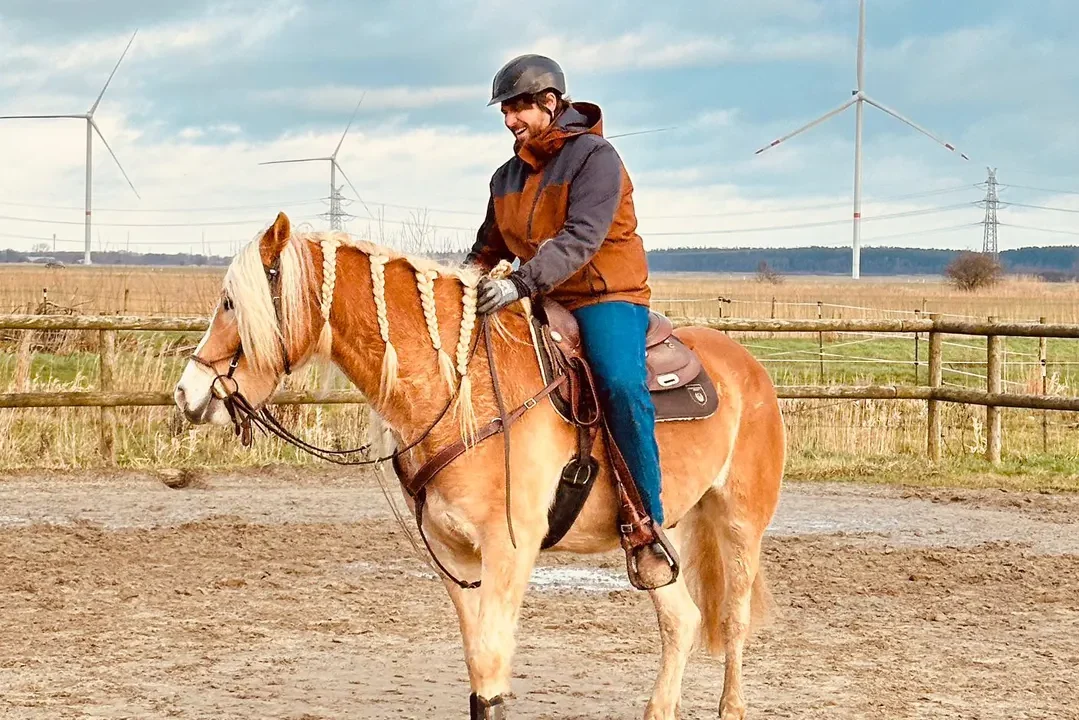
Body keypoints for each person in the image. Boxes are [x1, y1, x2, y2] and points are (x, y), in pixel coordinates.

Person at [466, 54, 674, 585]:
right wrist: (459, 284)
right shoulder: (505, 176)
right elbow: (487, 247)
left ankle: (646, 524)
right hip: (542, 296)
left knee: (620, 383)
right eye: (505, 112)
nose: (510, 121)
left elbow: (582, 237)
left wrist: (519, 284)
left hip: (607, 295)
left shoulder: (595, 158)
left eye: (518, 109)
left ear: (551, 103)